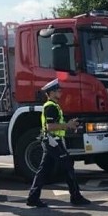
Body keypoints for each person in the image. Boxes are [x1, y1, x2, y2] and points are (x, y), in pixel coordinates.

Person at [26, 79, 90, 208]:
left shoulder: (53, 105)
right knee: (68, 168)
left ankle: (33, 197)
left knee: (43, 170)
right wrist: (68, 125)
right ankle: (76, 197)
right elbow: (50, 126)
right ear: (51, 92)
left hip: (51, 141)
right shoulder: (51, 106)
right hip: (53, 141)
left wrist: (68, 125)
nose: (60, 92)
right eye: (58, 90)